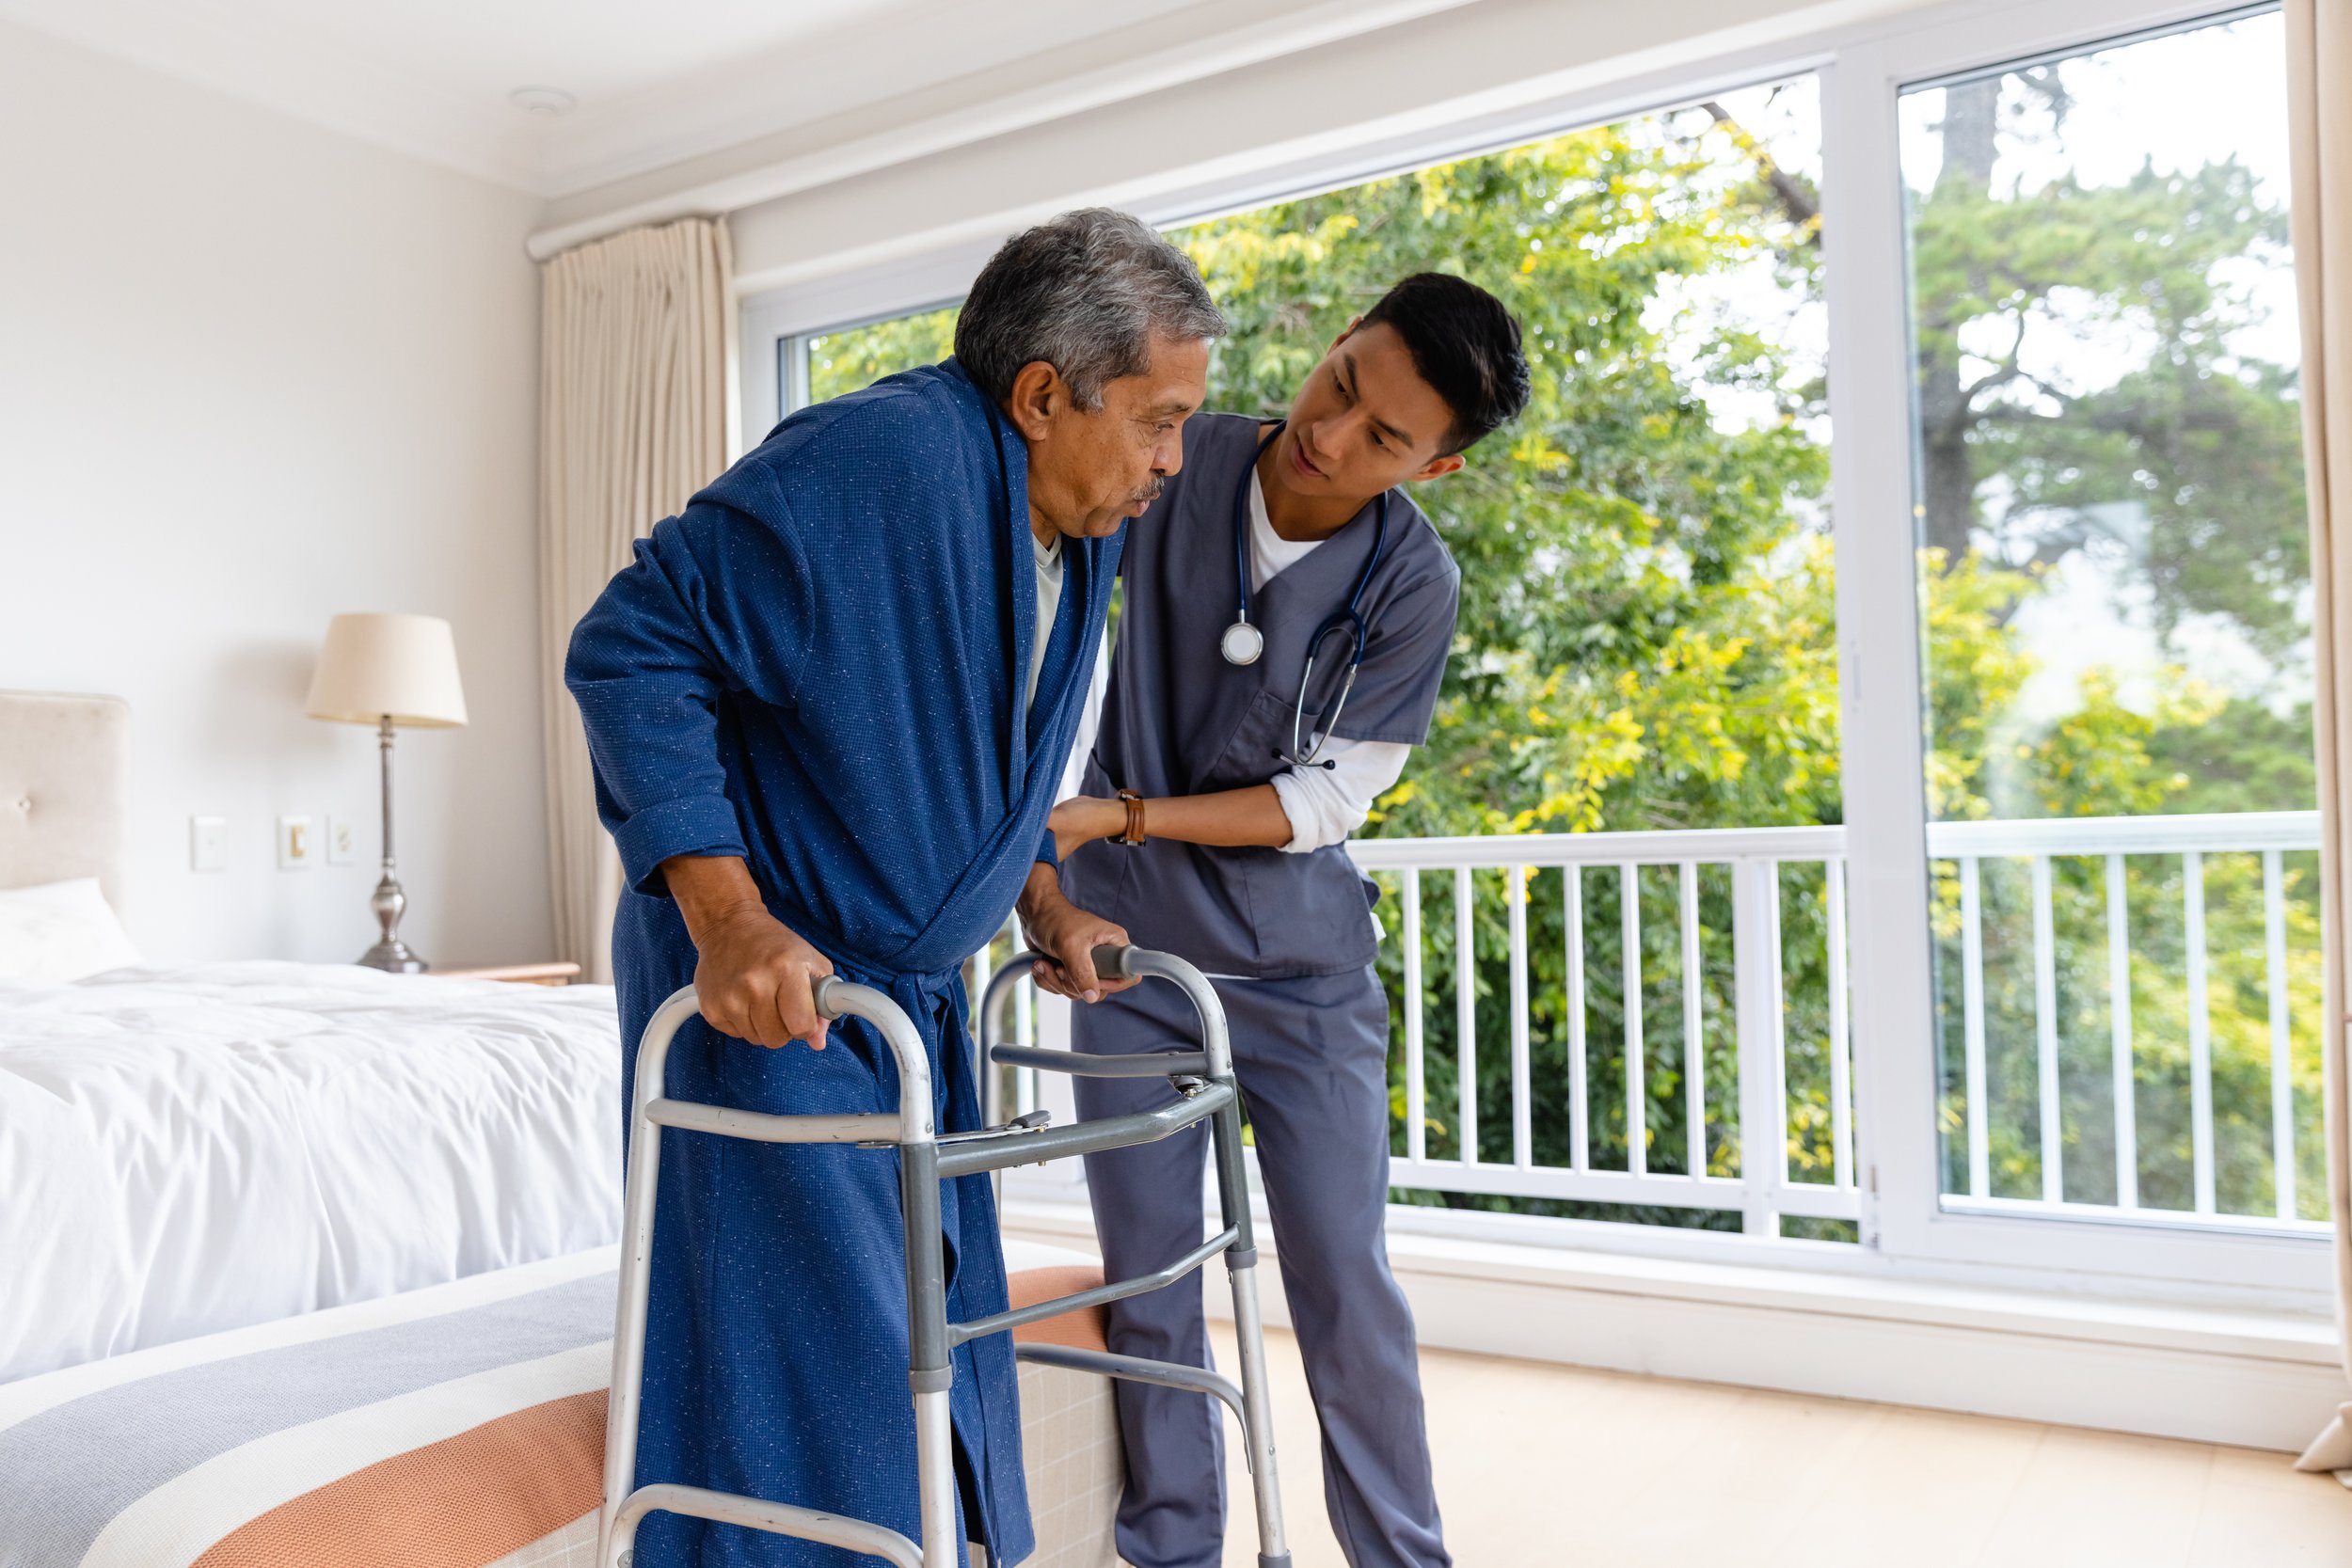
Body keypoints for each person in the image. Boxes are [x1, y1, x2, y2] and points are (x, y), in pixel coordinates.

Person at [565, 208, 1223, 1568]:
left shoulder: (1076, 520)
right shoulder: (883, 457)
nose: (1172, 461)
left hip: (906, 996)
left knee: (931, 1332)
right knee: (823, 1363)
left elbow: (988, 754)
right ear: (1043, 396)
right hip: (776, 987)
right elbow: (632, 643)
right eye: (1157, 421)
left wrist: (1037, 896)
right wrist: (730, 920)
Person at [1017, 273, 1532, 1568]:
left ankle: (1398, 1557)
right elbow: (1052, 617)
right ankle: (1172, 1549)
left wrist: (1118, 817)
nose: (1332, 433)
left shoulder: (1411, 579)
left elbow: (1325, 800)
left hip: (1299, 971)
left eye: (1385, 438)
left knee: (1345, 1287)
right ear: (1339, 337)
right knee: (1148, 1276)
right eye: (1341, 380)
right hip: (1126, 956)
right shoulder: (1170, 462)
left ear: (1443, 467)